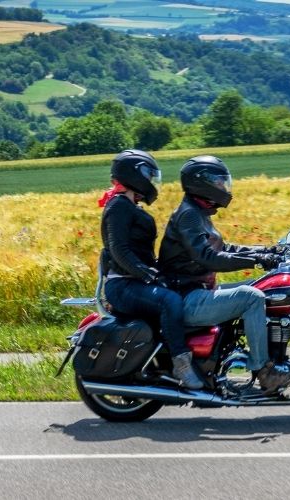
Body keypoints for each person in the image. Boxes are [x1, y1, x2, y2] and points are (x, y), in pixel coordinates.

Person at [158, 155, 290, 395]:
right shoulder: (188, 215)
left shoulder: (198, 213)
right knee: (252, 297)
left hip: (197, 293)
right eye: (218, 182)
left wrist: (268, 251)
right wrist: (258, 260)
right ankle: (265, 372)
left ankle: (270, 355)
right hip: (185, 298)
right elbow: (208, 257)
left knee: (264, 288)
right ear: (201, 183)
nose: (224, 187)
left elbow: (226, 249)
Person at [100, 149, 204, 390]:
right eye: (148, 174)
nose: (151, 181)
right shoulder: (118, 206)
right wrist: (145, 273)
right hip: (123, 284)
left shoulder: (128, 205)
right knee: (169, 301)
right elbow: (118, 249)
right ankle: (182, 365)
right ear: (132, 174)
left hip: (134, 281)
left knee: (181, 294)